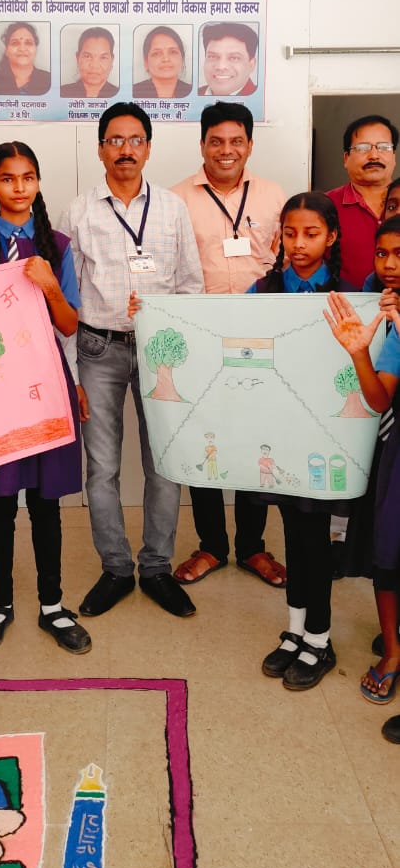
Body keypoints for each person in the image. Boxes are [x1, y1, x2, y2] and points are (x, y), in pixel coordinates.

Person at [59, 102, 204, 619]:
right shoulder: (78, 212)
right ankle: (117, 568)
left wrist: (182, 351)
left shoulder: (171, 208)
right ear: (100, 149)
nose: (126, 149)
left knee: (163, 463)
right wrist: (71, 371)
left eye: (135, 139)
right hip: (97, 349)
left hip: (159, 349)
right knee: (102, 467)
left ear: (148, 148)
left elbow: (190, 285)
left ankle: (157, 567)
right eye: (115, 140)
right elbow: (67, 297)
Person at [0, 141, 91, 656]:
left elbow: (70, 324)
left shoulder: (58, 244)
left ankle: (52, 603)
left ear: (38, 182)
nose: (19, 187)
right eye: (8, 178)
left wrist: (49, 285)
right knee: (0, 501)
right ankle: (0, 603)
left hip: (45, 384)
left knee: (46, 502)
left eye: (28, 177)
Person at [172, 101, 286, 588]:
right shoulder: (176, 200)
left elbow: (285, 263)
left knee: (257, 438)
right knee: (207, 438)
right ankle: (212, 545)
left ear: (250, 145)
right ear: (202, 144)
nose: (226, 150)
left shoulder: (274, 196)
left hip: (262, 337)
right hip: (202, 338)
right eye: (216, 141)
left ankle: (253, 546)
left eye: (236, 141)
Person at [253, 192, 350, 690]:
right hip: (279, 429)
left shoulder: (350, 295)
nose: (299, 244)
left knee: (315, 535)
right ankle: (294, 632)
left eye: (311, 234)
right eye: (290, 233)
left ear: (331, 236)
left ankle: (320, 637)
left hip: (324, 434)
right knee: (292, 529)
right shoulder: (263, 290)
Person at [324, 226, 400, 705]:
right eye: (381, 253)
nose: (389, 264)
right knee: (387, 550)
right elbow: (378, 399)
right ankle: (392, 652)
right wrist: (357, 352)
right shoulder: (385, 315)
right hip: (395, 453)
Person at [327, 114, 398, 290]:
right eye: (363, 148)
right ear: (346, 158)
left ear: (394, 156)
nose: (374, 155)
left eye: (383, 147)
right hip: (345, 304)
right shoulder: (325, 206)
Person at [198, 23, 258, 98]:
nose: (221, 67)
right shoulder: (197, 93)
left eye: (234, 58)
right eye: (212, 56)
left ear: (251, 65)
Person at [0, 23, 51, 96]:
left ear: (36, 49)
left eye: (28, 43)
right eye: (15, 43)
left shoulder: (49, 80)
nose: (22, 49)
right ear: (6, 50)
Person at [133, 27, 191, 100]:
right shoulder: (133, 92)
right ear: (146, 62)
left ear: (182, 59)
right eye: (156, 53)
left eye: (173, 52)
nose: (166, 59)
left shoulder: (192, 91)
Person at [60, 27, 118, 99]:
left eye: (103, 57)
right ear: (77, 58)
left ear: (112, 60)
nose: (94, 66)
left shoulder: (121, 96)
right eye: (87, 56)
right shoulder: (61, 93)